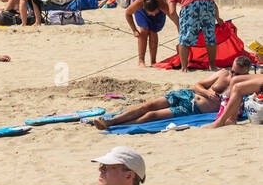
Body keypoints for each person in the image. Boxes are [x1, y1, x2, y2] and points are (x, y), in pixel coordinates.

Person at [89, 57, 252, 130]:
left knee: (151, 115)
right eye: (233, 71)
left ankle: (115, 125)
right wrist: (207, 93)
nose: (233, 76)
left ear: (246, 73)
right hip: (187, 95)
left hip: (193, 109)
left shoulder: (243, 87)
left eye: (238, 74)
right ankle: (111, 121)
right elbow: (198, 85)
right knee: (148, 105)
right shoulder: (223, 74)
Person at [166, 0, 221, 71]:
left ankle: (184, 67)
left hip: (191, 3)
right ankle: (212, 65)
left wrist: (179, 25)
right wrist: (218, 18)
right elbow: (213, 4)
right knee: (210, 36)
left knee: (185, 38)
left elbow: (171, 12)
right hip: (208, 1)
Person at [124, 0, 176, 66]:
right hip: (143, 7)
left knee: (153, 31)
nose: (154, 14)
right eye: (152, 13)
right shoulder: (139, 3)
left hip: (156, 2)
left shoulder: (161, 3)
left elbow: (173, 16)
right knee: (144, 30)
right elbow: (127, 14)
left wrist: (180, 27)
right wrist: (134, 30)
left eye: (155, 12)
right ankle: (141, 61)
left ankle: (153, 61)